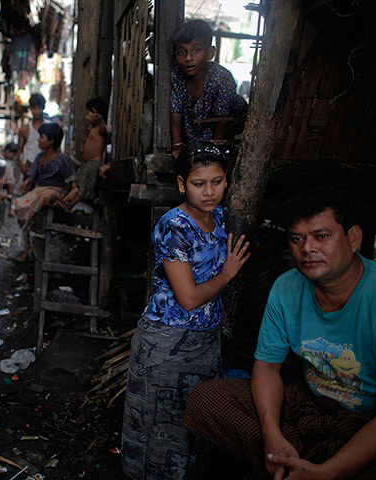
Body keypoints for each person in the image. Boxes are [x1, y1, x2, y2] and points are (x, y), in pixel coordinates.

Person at [184, 190, 376, 480]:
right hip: (309, 405)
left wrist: (329, 473)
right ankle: (289, 461)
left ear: (353, 239)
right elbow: (266, 367)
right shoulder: (286, 287)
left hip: (370, 418)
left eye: (321, 237)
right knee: (206, 399)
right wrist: (271, 433)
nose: (307, 249)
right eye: (297, 239)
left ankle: (310, 468)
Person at [120, 141, 250, 479]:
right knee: (160, 433)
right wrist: (227, 274)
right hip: (166, 345)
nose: (209, 192)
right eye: (198, 183)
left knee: (194, 428)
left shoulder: (220, 218)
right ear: (181, 184)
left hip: (205, 344)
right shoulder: (173, 225)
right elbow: (189, 298)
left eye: (217, 182)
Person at [170, 19, 247, 158]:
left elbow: (221, 119)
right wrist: (177, 146)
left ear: (210, 53)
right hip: (199, 130)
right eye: (182, 52)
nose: (188, 58)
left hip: (229, 128)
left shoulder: (220, 79)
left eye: (196, 50)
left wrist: (213, 151)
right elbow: (176, 111)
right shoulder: (178, 75)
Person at [13, 122, 75, 262]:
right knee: (18, 204)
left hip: (55, 192)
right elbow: (32, 175)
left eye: (42, 137)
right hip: (39, 191)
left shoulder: (63, 159)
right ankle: (28, 242)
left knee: (46, 196)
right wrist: (27, 182)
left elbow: (71, 181)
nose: (38, 140)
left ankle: (31, 217)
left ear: (51, 141)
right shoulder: (39, 157)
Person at [59, 97, 109, 212]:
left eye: (88, 114)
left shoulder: (101, 129)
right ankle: (66, 200)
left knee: (83, 187)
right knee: (75, 181)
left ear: (95, 113)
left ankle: (69, 205)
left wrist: (100, 119)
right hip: (87, 164)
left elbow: (106, 130)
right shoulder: (93, 128)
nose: (86, 117)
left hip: (94, 164)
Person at [17, 93, 46, 175]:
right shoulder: (24, 129)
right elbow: (20, 149)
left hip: (45, 166)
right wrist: (21, 165)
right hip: (30, 165)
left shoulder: (48, 127)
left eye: (39, 108)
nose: (36, 111)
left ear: (43, 108)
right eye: (34, 108)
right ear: (30, 108)